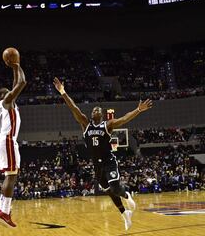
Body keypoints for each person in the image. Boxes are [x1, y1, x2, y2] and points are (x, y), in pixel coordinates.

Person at [53, 77, 152, 231]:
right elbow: (73, 108)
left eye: (98, 109)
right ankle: (125, 214)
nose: (95, 110)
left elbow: (125, 119)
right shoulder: (85, 123)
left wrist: (138, 110)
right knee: (108, 191)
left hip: (109, 161)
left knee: (116, 188)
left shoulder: (108, 125)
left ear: (103, 114)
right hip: (97, 165)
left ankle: (127, 196)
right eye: (94, 109)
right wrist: (62, 92)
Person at [0, 59, 27, 227]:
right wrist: (16, 64)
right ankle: (5, 211)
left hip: (5, 141)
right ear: (3, 96)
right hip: (8, 140)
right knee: (12, 176)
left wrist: (13, 68)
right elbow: (22, 82)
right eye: (8, 92)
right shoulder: (6, 102)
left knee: (10, 176)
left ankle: (1, 209)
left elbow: (15, 83)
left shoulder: (8, 103)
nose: (11, 93)